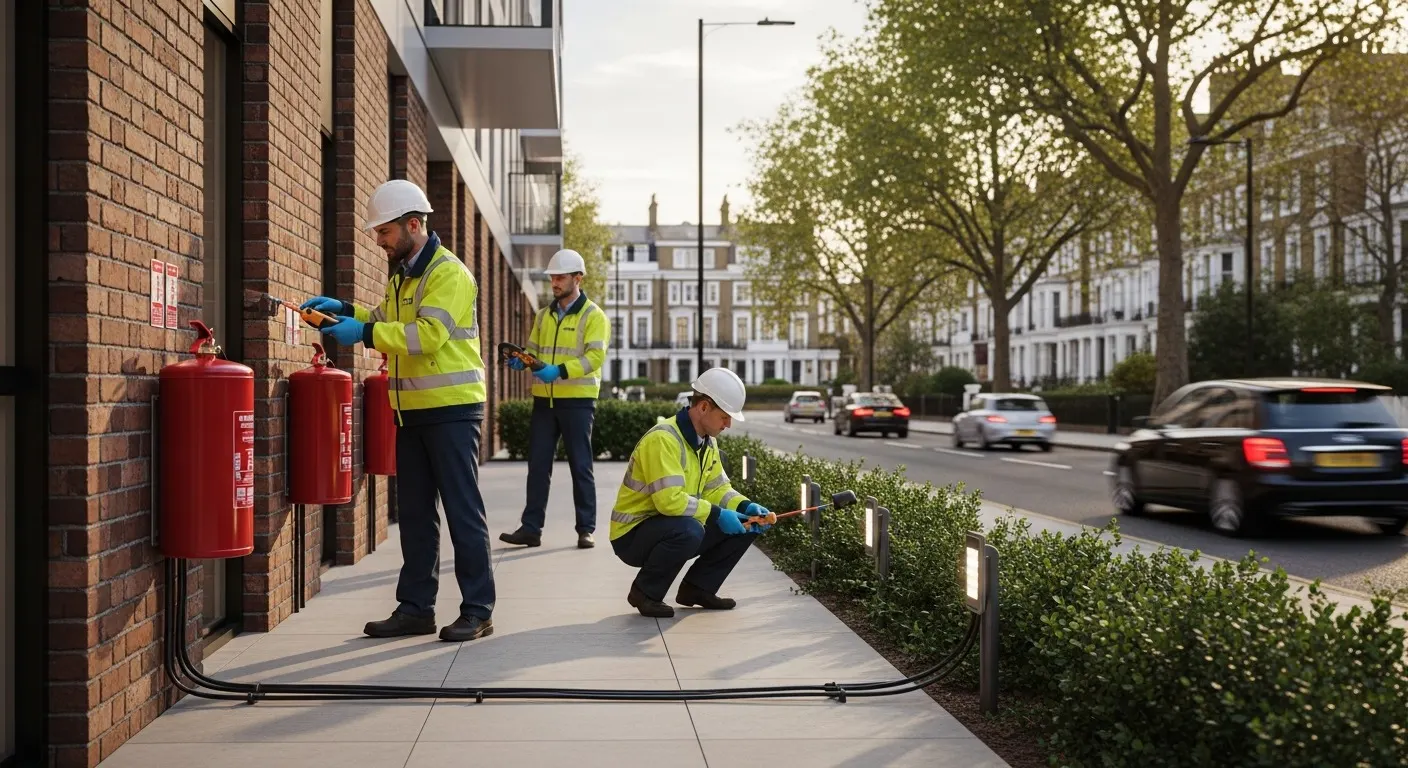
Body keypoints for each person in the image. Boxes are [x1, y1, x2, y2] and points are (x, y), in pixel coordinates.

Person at [301, 179, 494, 643]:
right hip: (412, 411)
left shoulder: (449, 273)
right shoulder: (404, 273)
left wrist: (363, 335)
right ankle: (415, 609)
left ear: (413, 224)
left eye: (385, 232)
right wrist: (344, 310)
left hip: (452, 410)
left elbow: (427, 336)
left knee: (462, 513)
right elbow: (387, 318)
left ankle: (478, 610)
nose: (379, 241)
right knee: (414, 514)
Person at [609, 367, 772, 618]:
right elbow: (668, 502)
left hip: (667, 526)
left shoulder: (707, 441)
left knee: (747, 524)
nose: (728, 424)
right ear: (704, 407)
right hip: (632, 535)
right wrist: (718, 514)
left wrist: (744, 507)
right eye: (725, 416)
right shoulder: (664, 439)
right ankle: (644, 592)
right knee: (690, 530)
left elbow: (718, 488)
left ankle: (698, 589)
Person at [499, 249, 609, 550]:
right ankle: (531, 529)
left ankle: (586, 529)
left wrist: (558, 371)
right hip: (544, 402)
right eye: (553, 277)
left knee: (580, 466)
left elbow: (595, 357)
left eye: (560, 277)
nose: (555, 282)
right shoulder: (544, 315)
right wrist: (525, 360)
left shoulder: (594, 316)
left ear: (578, 278)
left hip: (577, 400)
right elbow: (534, 349)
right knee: (537, 466)